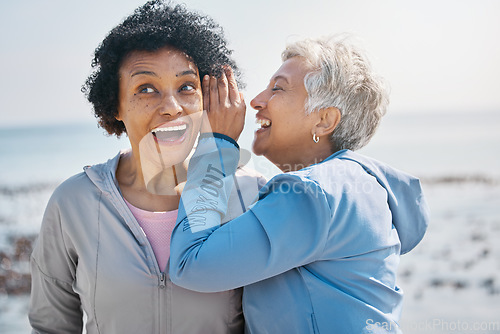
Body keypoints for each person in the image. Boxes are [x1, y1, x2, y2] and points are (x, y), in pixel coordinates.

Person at [28, 1, 264, 333]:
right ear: (117, 106)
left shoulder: (252, 196)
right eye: (146, 89)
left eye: (186, 87)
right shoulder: (72, 203)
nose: (171, 107)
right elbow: (50, 326)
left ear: (208, 98)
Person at [169, 35, 430, 333]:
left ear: (324, 121)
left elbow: (191, 265)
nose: (256, 101)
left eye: (277, 89)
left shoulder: (312, 194)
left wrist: (216, 146)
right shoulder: (360, 184)